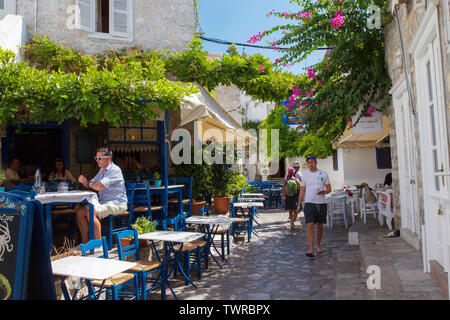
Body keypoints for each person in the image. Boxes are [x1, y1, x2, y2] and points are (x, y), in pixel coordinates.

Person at [75, 147, 128, 244]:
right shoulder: (102, 170)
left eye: (100, 158)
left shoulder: (115, 170)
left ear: (108, 159)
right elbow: (91, 183)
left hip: (117, 204)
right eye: (96, 158)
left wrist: (90, 184)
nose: (97, 161)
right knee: (79, 212)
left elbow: (99, 186)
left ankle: (98, 245)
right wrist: (83, 181)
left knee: (91, 212)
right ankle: (85, 243)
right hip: (103, 203)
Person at [297, 155, 331, 257]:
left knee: (320, 226)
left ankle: (318, 245)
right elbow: (302, 190)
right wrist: (299, 205)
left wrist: (324, 191)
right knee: (310, 225)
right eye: (309, 162)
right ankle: (311, 249)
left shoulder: (323, 174)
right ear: (307, 164)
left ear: (316, 162)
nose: (310, 164)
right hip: (309, 203)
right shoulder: (305, 176)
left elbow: (329, 189)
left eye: (312, 162)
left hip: (321, 203)